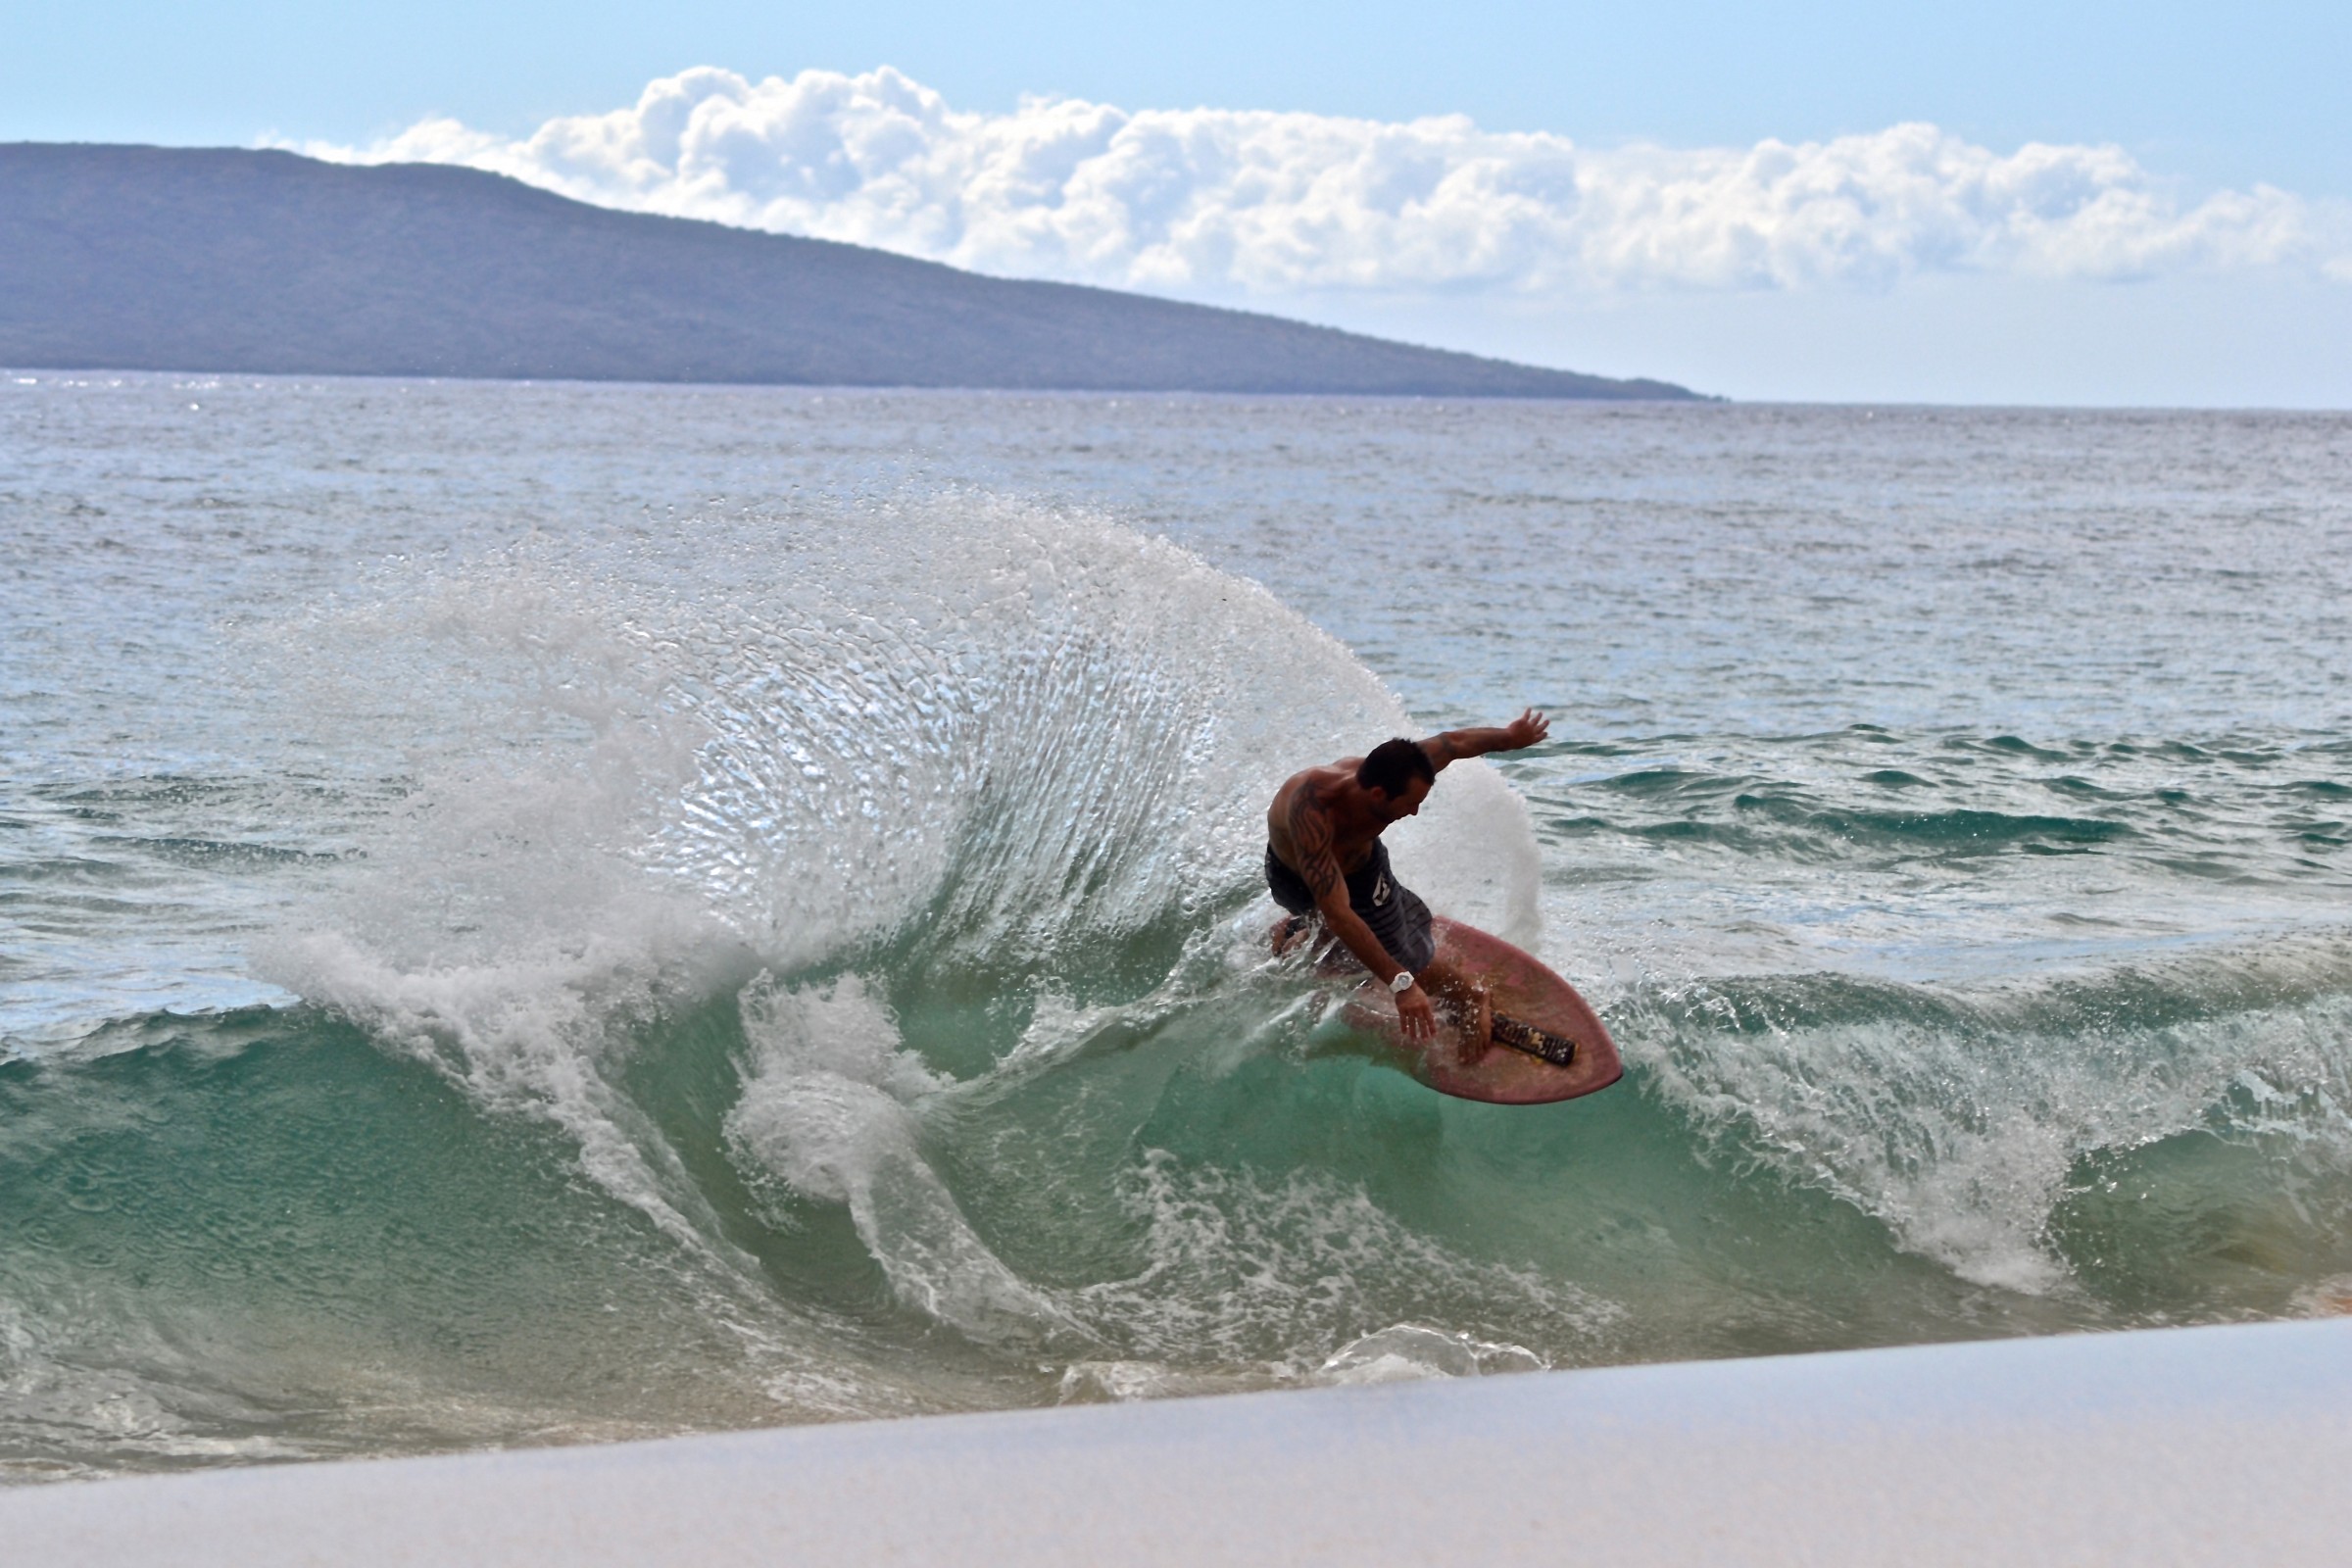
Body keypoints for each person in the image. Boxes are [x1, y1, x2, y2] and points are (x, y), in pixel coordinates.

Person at [1264, 709, 1551, 1060]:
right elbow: (1339, 913)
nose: (1414, 812)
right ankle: (1309, 929)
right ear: (1377, 794)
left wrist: (1509, 737)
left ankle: (1469, 998)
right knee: (1356, 943)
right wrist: (1401, 984)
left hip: (1358, 870)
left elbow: (1454, 743)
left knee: (1387, 944)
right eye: (1410, 804)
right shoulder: (1313, 810)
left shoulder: (1402, 769)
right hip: (1290, 877)